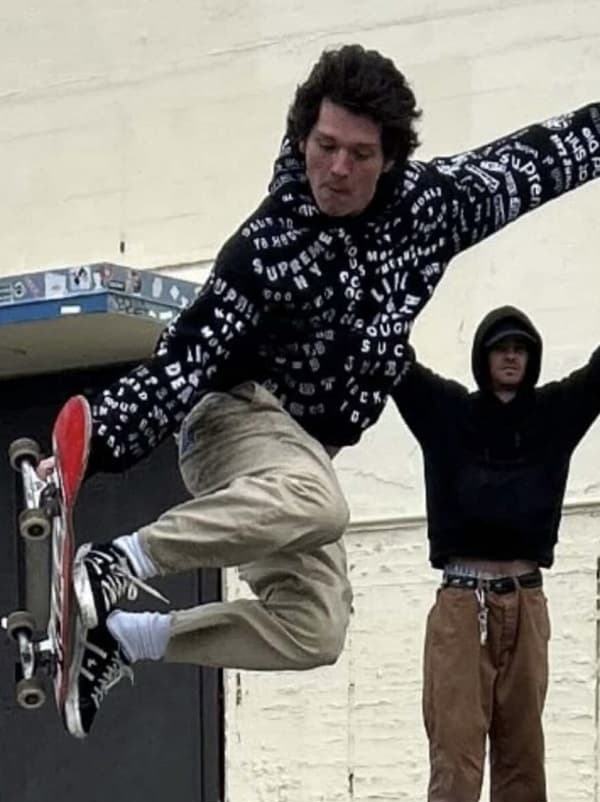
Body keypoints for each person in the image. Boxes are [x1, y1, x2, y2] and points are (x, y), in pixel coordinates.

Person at [46, 44, 600, 739]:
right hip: (236, 421)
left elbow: (535, 163)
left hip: (302, 458)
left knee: (316, 629)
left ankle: (128, 637)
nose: (337, 170)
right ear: (303, 138)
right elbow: (183, 361)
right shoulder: (266, 246)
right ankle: (122, 560)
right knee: (321, 501)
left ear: (389, 158)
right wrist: (95, 440)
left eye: (360, 155)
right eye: (325, 146)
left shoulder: (434, 209)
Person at [393, 306, 600, 802]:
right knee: (455, 728)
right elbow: (397, 368)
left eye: (521, 348)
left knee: (522, 729)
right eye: (500, 347)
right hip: (462, 599)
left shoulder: (554, 414)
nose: (511, 356)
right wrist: (380, 306)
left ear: (532, 358)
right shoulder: (449, 414)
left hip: (526, 596)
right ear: (483, 357)